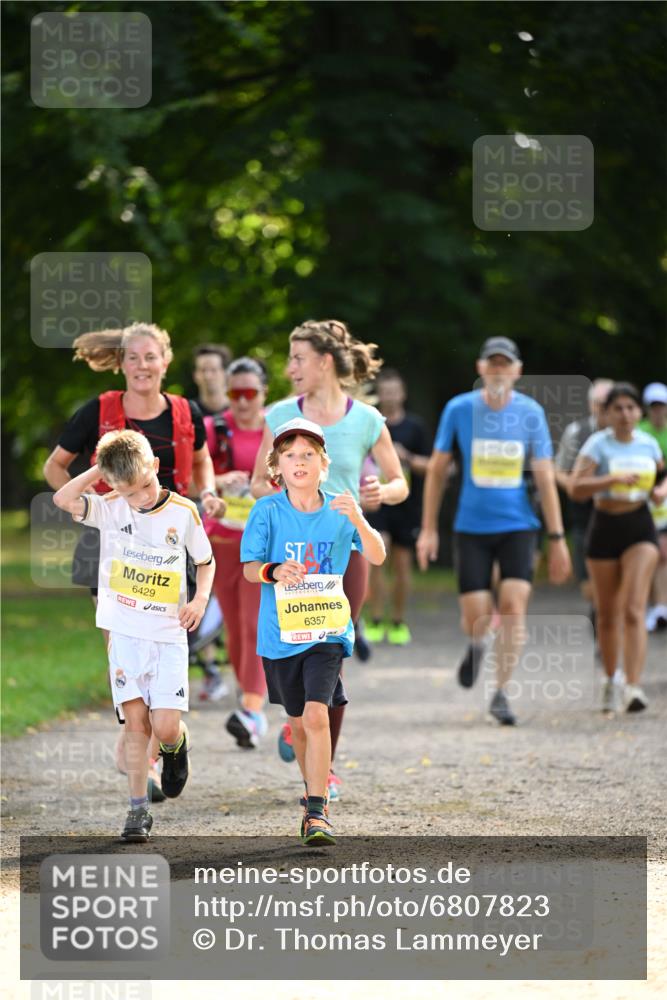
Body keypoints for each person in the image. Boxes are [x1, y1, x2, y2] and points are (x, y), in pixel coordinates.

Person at [43, 323, 224, 796]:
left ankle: (166, 742)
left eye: (151, 357)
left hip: (168, 542)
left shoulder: (187, 412)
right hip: (113, 543)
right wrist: (99, 487)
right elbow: (53, 468)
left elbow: (202, 460)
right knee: (123, 652)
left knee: (159, 648)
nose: (142, 366)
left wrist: (206, 493)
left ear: (165, 361)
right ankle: (138, 771)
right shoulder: (98, 411)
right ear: (121, 363)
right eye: (134, 358)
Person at [250, 319, 407, 799]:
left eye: (297, 358)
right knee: (300, 650)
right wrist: (286, 490)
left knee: (333, 653)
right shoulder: (279, 416)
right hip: (292, 554)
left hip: (343, 550)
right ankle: (298, 719)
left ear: (324, 362)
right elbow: (259, 482)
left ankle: (326, 767)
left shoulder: (365, 419)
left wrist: (383, 490)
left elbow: (399, 482)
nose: (289, 367)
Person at [53, 430, 215, 841]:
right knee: (136, 724)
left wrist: (198, 601)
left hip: (167, 633)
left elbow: (206, 561)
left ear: (156, 468)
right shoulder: (109, 507)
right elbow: (62, 499)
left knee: (163, 727)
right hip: (124, 632)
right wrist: (101, 470)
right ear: (113, 486)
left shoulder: (183, 512)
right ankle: (137, 810)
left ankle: (176, 747)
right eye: (129, 492)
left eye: (146, 485)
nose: (141, 498)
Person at [241, 418, 385, 844]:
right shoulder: (267, 510)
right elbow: (250, 569)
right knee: (299, 723)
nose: (299, 462)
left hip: (327, 630)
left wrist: (358, 517)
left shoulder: (341, 509)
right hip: (281, 635)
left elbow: (376, 555)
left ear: (324, 465)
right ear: (277, 467)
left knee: (318, 714)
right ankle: (311, 793)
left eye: (308, 455)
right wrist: (274, 570)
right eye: (290, 455)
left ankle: (317, 811)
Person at [416, 337, 571, 726]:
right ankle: (475, 642)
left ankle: (501, 692)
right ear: (480, 368)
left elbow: (546, 477)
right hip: (471, 527)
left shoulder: (531, 413)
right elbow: (436, 470)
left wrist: (557, 539)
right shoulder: (459, 409)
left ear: (518, 371)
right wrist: (429, 528)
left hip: (519, 525)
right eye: (493, 363)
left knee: (515, 606)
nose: (499, 370)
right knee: (475, 613)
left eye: (506, 364)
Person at [572, 383, 667, 713]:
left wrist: (659, 491)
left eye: (631, 408)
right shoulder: (598, 445)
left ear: (639, 413)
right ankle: (611, 680)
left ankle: (634, 686)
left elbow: (661, 476)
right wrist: (610, 480)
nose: (626, 415)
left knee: (633, 608)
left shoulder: (649, 443)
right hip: (604, 527)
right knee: (608, 613)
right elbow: (576, 488)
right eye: (619, 409)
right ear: (607, 414)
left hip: (640, 526)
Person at [204, 357, 269, 747]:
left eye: (250, 393)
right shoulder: (216, 428)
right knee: (233, 624)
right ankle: (250, 702)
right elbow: (197, 471)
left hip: (259, 542)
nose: (242, 401)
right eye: (235, 393)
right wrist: (218, 478)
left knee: (253, 623)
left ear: (263, 393)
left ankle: (252, 709)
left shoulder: (275, 429)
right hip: (222, 540)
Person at [363, 369, 431, 644]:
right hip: (376, 501)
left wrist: (408, 458)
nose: (390, 397)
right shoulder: (369, 423)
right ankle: (376, 618)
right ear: (378, 394)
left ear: (403, 394)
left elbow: (432, 465)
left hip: (407, 503)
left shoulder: (415, 427)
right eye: (385, 391)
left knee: (402, 565)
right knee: (379, 555)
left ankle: (398, 621)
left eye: (394, 391)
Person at [555, 379, 613, 613]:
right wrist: (574, 486)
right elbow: (557, 469)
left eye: (609, 403)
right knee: (589, 583)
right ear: (591, 405)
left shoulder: (630, 435)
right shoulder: (577, 432)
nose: (604, 409)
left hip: (618, 515)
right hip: (585, 517)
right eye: (600, 403)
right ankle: (599, 613)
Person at [638, 382, 667, 631]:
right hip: (643, 499)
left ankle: (660, 606)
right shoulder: (640, 431)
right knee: (651, 554)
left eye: (662, 405)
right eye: (654, 406)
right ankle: (652, 606)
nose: (659, 410)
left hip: (663, 497)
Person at [192, 343, 232, 416]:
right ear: (195, 375)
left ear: (226, 374)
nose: (208, 376)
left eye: (213, 370)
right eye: (203, 370)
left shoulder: (240, 411)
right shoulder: (188, 413)